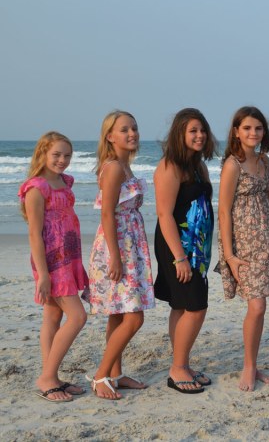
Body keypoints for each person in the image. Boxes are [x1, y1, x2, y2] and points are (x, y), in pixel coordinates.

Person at [217, 106, 269, 391]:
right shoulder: (232, 165)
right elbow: (223, 211)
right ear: (236, 131)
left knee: (262, 304)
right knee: (256, 305)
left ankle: (254, 364)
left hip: (267, 238)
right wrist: (230, 255)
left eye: (258, 128)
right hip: (244, 244)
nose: (253, 133)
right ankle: (248, 366)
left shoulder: (264, 160)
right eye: (247, 128)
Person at [85, 110, 155, 400]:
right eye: (124, 129)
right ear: (110, 136)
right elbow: (106, 214)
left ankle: (116, 373)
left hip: (130, 243)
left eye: (134, 128)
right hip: (118, 246)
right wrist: (115, 256)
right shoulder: (113, 168)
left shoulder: (125, 167)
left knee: (118, 314)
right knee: (134, 317)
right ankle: (101, 376)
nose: (132, 134)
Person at [19, 132, 89, 402]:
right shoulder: (36, 188)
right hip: (52, 263)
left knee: (52, 317)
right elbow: (34, 234)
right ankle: (47, 377)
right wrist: (44, 274)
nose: (62, 160)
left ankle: (52, 376)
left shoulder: (64, 181)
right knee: (78, 317)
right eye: (57, 155)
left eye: (67, 155)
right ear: (43, 154)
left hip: (69, 257)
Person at [153, 108, 216, 394]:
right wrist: (179, 257)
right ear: (180, 133)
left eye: (202, 130)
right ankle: (177, 368)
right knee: (196, 306)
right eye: (193, 130)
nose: (200, 135)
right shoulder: (170, 166)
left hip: (197, 247)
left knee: (181, 304)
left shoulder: (197, 165)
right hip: (178, 246)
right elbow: (165, 214)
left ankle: (182, 363)